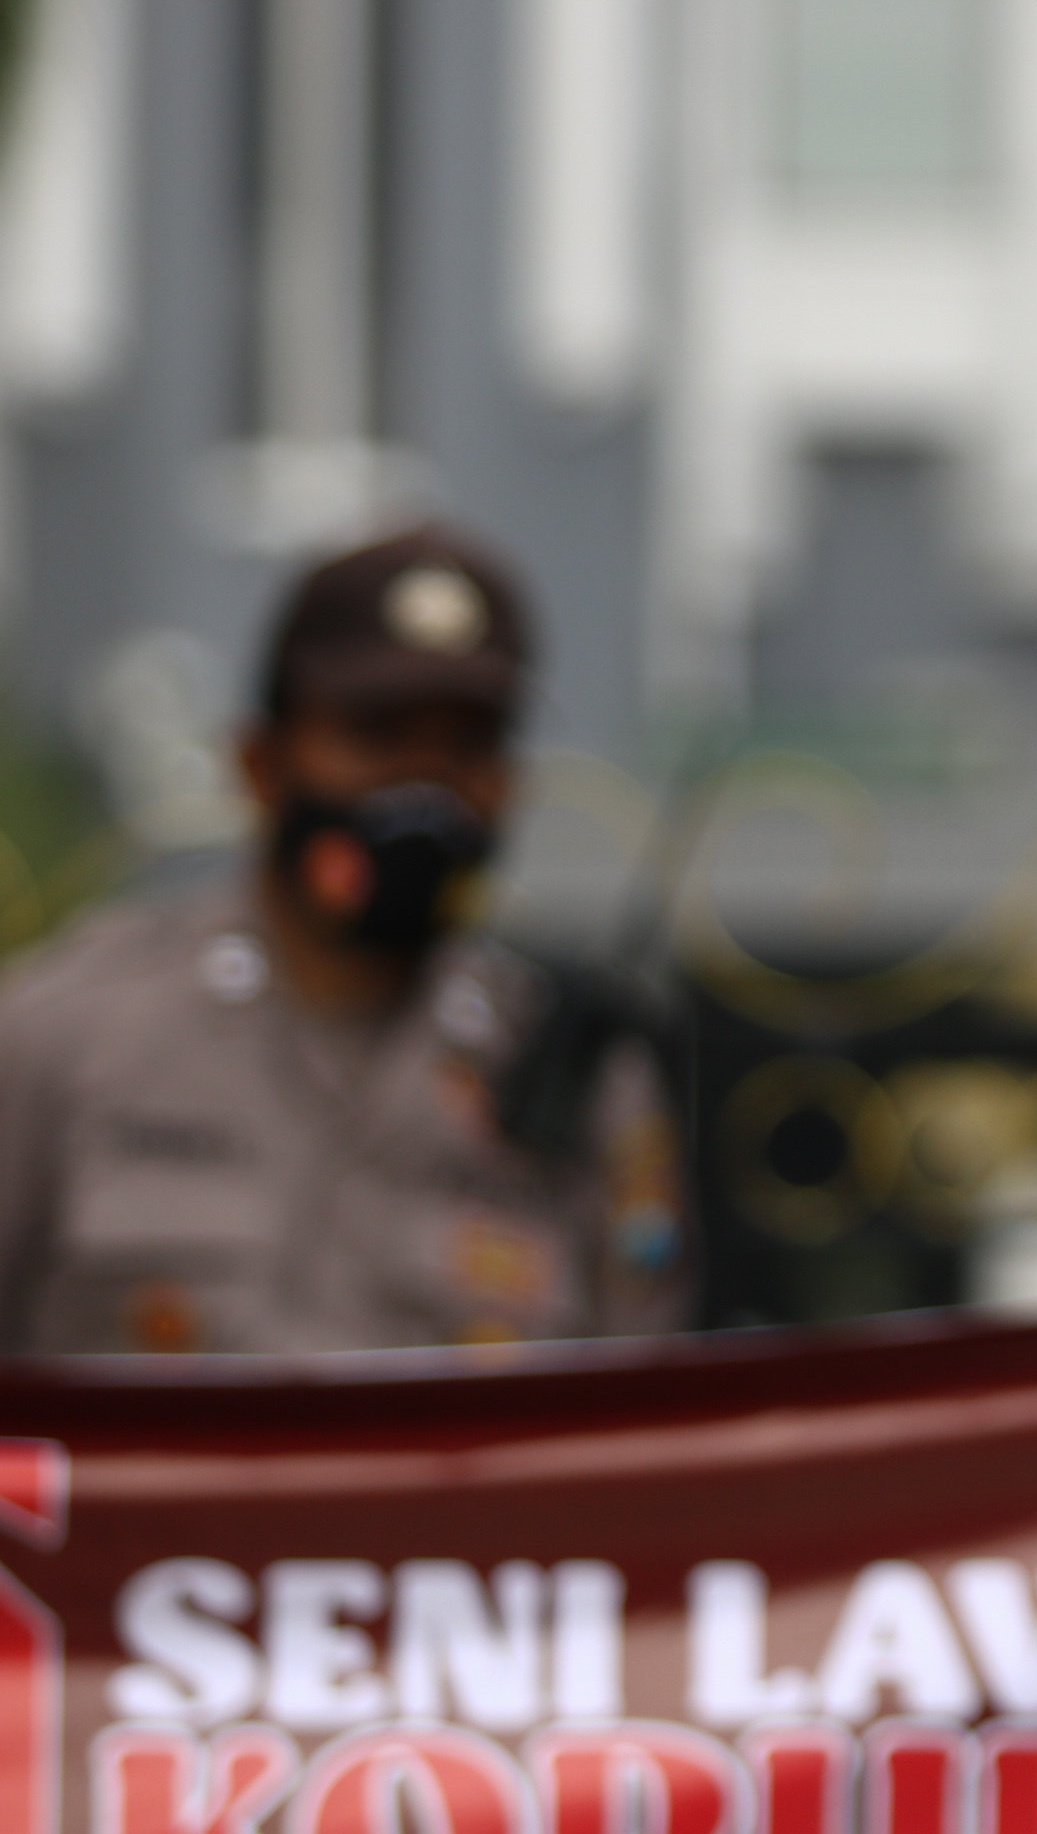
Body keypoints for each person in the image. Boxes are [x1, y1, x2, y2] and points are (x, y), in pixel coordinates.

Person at [0, 524, 686, 1353]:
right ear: (262, 763)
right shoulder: (64, 1036)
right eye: (378, 737)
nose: (425, 791)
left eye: (468, 746)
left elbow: (640, 1421)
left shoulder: (575, 1075)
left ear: (508, 786)